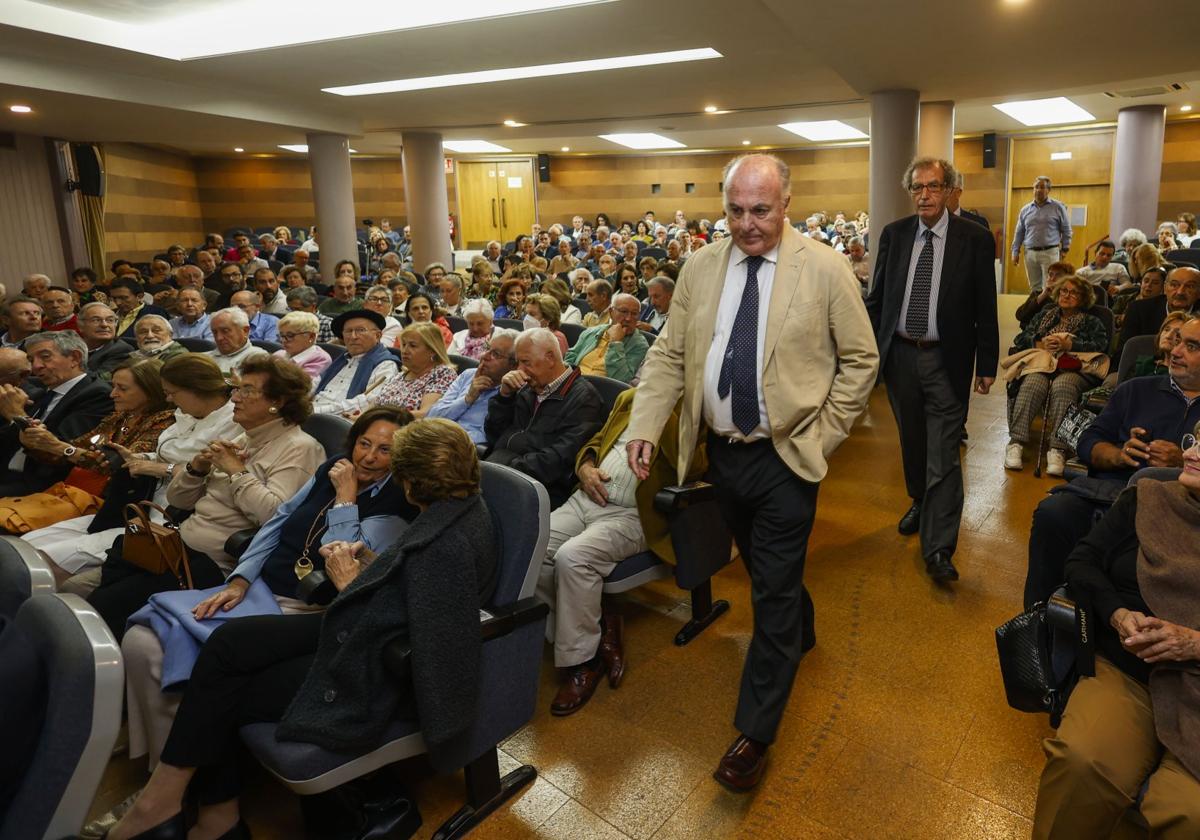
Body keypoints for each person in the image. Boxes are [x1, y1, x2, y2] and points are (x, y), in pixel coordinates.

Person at [103, 418, 497, 840]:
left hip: (378, 661)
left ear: (412, 481)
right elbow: (408, 587)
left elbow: (430, 641)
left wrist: (349, 583)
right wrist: (367, 570)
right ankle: (193, 810)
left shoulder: (447, 543)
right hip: (359, 624)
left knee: (227, 691)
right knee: (228, 643)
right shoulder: (446, 510)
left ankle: (194, 814)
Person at [626, 153, 877, 792]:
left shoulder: (822, 268)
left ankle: (755, 733)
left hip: (788, 458)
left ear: (786, 204)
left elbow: (860, 360)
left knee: (768, 596)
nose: (747, 224)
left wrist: (824, 435)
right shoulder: (701, 266)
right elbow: (668, 353)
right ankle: (802, 618)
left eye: (760, 210)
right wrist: (644, 426)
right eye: (735, 210)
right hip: (719, 456)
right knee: (772, 571)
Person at [118, 406, 415, 773]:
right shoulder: (335, 467)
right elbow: (278, 521)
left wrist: (347, 497)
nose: (368, 457)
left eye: (384, 450)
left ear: (401, 457)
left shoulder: (400, 500)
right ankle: (160, 762)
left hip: (308, 608)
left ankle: (185, 774)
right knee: (140, 641)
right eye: (364, 443)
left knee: (189, 661)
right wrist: (240, 580)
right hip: (260, 587)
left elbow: (340, 560)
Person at [86, 355, 324, 641]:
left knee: (101, 606)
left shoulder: (300, 448)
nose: (235, 398)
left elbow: (275, 516)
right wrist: (195, 469)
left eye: (247, 390)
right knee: (101, 584)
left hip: (214, 564)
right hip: (177, 548)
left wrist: (236, 471)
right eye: (236, 389)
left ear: (280, 401)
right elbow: (179, 501)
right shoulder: (243, 438)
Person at [1031, 464, 1200, 837]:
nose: (1191, 452)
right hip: (1128, 669)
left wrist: (1193, 643)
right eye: (1197, 439)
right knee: (1082, 763)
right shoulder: (1146, 498)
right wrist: (1116, 613)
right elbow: (1081, 561)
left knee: (1189, 814)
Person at [866, 155, 999, 584]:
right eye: (918, 188)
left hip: (947, 359)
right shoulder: (895, 235)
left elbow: (985, 305)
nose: (925, 195)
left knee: (943, 448)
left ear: (949, 191)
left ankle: (939, 547)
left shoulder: (974, 239)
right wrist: (864, 350)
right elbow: (879, 299)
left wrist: (988, 361)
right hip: (900, 358)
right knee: (913, 441)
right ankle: (920, 500)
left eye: (934, 187)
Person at [541, 388, 704, 716]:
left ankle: (583, 662)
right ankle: (597, 631)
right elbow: (597, 441)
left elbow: (694, 467)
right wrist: (585, 467)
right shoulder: (629, 398)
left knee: (573, 558)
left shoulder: (698, 410)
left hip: (634, 515)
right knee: (534, 551)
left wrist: (667, 406)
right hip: (586, 498)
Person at [1023, 317, 1200, 608]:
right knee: (1054, 512)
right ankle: (1038, 619)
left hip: (1180, 514)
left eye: (1191, 346)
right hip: (1112, 494)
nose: (1176, 351)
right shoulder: (1136, 390)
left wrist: (1182, 463)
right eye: (1177, 340)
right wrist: (1119, 455)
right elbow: (1088, 441)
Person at [31, 354, 240, 596]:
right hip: (135, 506)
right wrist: (140, 458)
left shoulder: (232, 421)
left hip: (171, 520)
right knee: (33, 543)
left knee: (49, 562)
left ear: (196, 389)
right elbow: (164, 453)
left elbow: (214, 471)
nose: (169, 399)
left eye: (172, 392)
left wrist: (160, 468)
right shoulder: (185, 413)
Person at [0, 358, 173, 538]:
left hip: (108, 505)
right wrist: (37, 441)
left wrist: (59, 447)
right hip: (71, 493)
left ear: (151, 391)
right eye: (113, 386)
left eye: (122, 388)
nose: (113, 394)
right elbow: (71, 450)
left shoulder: (165, 422)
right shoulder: (118, 417)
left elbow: (118, 466)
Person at [485, 328, 604, 508]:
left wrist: (505, 467)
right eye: (518, 363)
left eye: (526, 362)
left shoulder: (585, 398)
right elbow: (494, 434)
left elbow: (559, 459)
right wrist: (504, 397)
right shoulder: (528, 387)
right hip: (501, 469)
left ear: (550, 358)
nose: (520, 370)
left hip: (538, 488)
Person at [1004, 275, 1109, 476]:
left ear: (1084, 298)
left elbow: (1101, 345)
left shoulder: (1092, 321)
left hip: (1073, 368)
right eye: (1063, 291)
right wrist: (1039, 342)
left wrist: (1071, 345)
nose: (1067, 295)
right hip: (1043, 363)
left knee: (1063, 386)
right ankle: (1016, 442)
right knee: (1033, 382)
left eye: (1073, 292)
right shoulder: (1045, 314)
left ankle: (1058, 449)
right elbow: (1021, 338)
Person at [0, 331, 114, 495]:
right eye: (32, 360)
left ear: (75, 358)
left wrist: (15, 414)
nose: (36, 366)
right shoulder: (39, 394)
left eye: (45, 357)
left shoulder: (98, 395)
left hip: (46, 486)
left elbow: (56, 451)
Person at [427, 330, 518, 444]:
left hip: (456, 448)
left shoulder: (511, 394)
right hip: (434, 437)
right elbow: (432, 416)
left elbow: (487, 436)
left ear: (514, 365)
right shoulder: (468, 375)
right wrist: (467, 399)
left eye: (495, 354)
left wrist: (444, 437)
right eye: (486, 348)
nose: (484, 356)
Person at [311, 310, 398, 415]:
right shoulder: (341, 359)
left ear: (378, 335)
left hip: (338, 421)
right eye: (348, 331)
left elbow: (367, 402)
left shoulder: (385, 364)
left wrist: (316, 411)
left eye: (360, 330)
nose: (353, 336)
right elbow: (314, 383)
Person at [372, 323, 458, 417]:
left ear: (432, 350)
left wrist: (380, 418)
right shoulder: (399, 376)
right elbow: (373, 407)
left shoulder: (442, 374)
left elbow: (426, 414)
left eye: (413, 346)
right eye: (403, 345)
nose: (404, 350)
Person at [1117, 266, 1200, 360]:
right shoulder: (1139, 309)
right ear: (1164, 288)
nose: (1180, 292)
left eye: (1190, 286)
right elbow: (1122, 353)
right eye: (1174, 285)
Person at [565, 293, 648, 383]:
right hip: (573, 383)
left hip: (603, 391)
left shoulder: (640, 345)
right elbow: (571, 356)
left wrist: (616, 343)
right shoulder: (592, 331)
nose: (628, 318)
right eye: (624, 311)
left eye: (634, 314)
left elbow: (621, 379)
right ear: (611, 312)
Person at [1011, 175, 1073, 292]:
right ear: (1033, 189)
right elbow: (1019, 232)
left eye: (1042, 187)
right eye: (1036, 187)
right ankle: (1036, 310)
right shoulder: (1025, 210)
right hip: (1030, 253)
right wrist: (1015, 251)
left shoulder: (1058, 207)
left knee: (1050, 286)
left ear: (1048, 190)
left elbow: (1066, 229)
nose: (1039, 190)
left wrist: (1065, 248)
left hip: (1050, 252)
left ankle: (1048, 310)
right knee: (1034, 287)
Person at [77, 302, 135, 380]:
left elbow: (97, 380)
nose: (104, 325)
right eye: (96, 320)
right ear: (80, 326)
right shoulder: (72, 345)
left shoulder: (121, 350)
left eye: (110, 320)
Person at [273, 311, 332, 384]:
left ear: (311, 336)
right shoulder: (278, 354)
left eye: (290, 335)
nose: (283, 340)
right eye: (282, 335)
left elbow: (298, 388)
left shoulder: (321, 359)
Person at [206, 307, 268, 375]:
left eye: (225, 331)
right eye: (215, 332)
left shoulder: (258, 358)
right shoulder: (204, 359)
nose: (219, 338)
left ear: (245, 331)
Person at [1130, 311, 1188, 378]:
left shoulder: (1187, 375)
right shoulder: (1143, 365)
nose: (1168, 336)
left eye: (1177, 333)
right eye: (1166, 330)